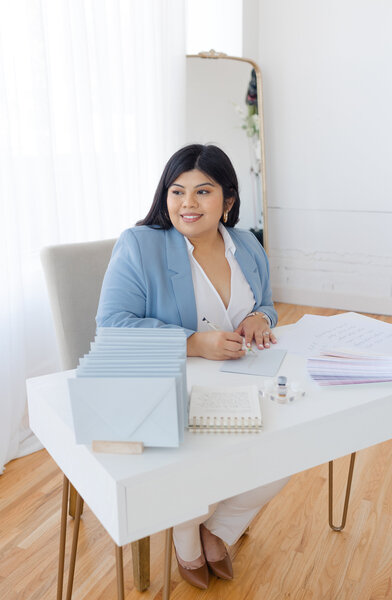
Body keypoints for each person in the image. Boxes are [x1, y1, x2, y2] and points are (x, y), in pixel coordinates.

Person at [96, 144, 289, 589]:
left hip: (244, 385)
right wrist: (191, 342)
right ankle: (186, 530)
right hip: (170, 393)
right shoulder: (140, 245)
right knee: (195, 465)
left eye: (203, 191)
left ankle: (216, 529)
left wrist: (260, 318)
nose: (188, 203)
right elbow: (112, 328)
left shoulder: (246, 245)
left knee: (283, 455)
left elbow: (266, 304)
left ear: (229, 200)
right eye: (177, 191)